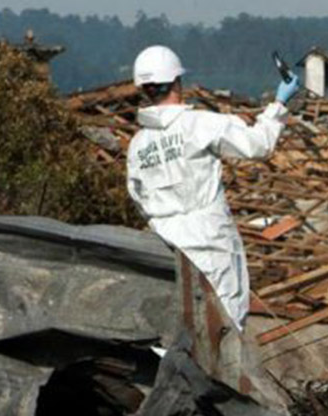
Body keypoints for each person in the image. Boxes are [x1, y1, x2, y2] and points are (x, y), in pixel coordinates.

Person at [126, 46, 300, 330]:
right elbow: (258, 144)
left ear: (144, 90)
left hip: (163, 246)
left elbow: (138, 198)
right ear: (177, 82)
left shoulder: (138, 145)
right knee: (223, 326)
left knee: (177, 328)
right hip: (210, 242)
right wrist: (279, 105)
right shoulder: (200, 124)